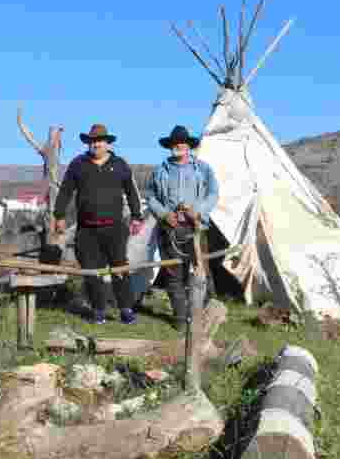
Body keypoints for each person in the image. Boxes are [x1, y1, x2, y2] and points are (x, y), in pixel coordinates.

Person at [52, 124, 145, 325]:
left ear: (107, 143)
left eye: (100, 141)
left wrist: (137, 216)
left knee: (119, 268)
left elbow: (131, 192)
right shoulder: (78, 164)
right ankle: (98, 310)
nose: (96, 144)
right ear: (88, 143)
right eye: (93, 141)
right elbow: (66, 191)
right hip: (87, 229)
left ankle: (126, 310)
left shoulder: (120, 164)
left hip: (115, 228)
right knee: (91, 271)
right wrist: (59, 215)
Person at [143, 125, 219, 332]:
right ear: (171, 147)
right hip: (170, 228)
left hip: (196, 228)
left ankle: (203, 315)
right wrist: (164, 214)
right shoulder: (160, 170)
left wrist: (198, 211)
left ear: (188, 147)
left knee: (201, 272)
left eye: (183, 144)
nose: (179, 147)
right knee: (174, 274)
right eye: (176, 144)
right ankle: (180, 317)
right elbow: (149, 195)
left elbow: (213, 193)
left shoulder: (203, 169)